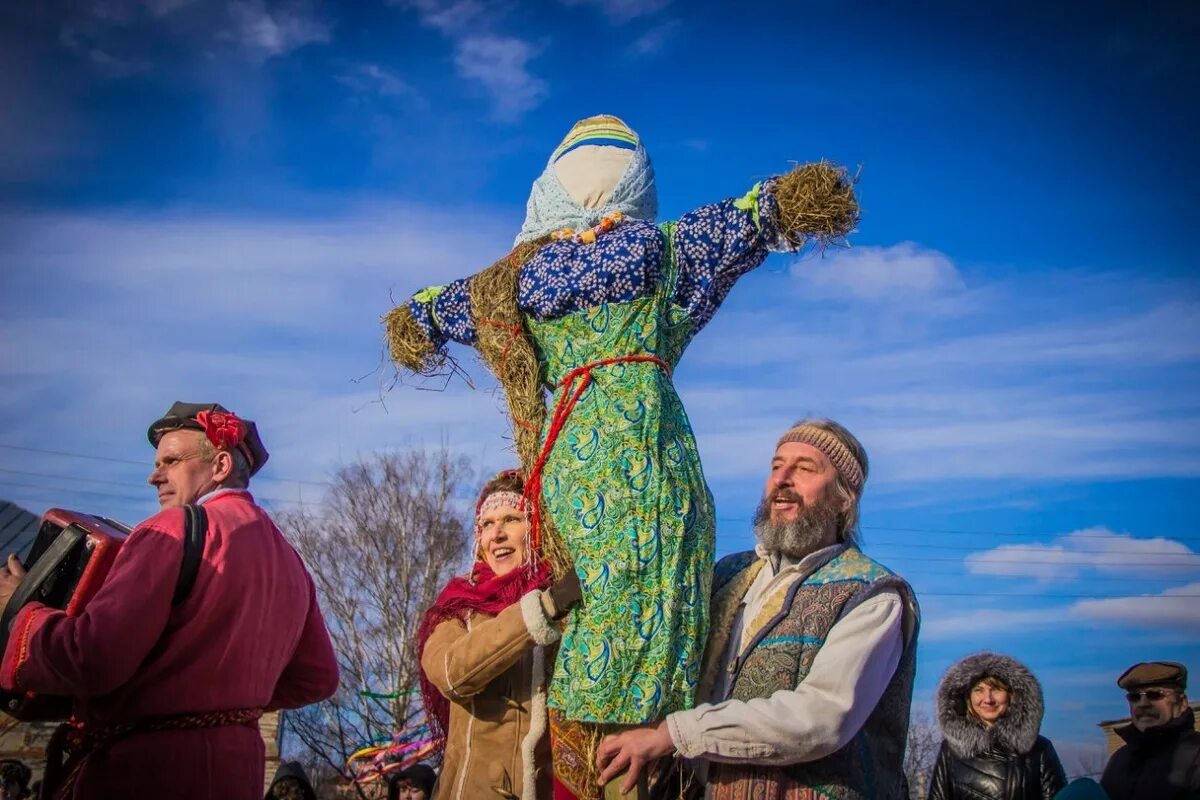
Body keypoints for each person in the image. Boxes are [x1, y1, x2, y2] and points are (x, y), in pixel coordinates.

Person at [387, 115, 858, 798]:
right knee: (619, 605)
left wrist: (417, 319)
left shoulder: (515, 279)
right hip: (637, 457)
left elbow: (439, 309)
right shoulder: (659, 248)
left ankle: (628, 751)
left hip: (587, 458)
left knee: (614, 608)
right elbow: (752, 218)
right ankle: (624, 754)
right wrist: (790, 201)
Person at [0, 402, 339, 800]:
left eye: (171, 461)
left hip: (146, 772)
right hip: (236, 776)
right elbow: (317, 678)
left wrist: (21, 609)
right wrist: (223, 703)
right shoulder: (290, 561)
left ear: (221, 466)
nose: (153, 476)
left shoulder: (170, 529)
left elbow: (93, 657)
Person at [596, 418, 920, 799]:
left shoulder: (872, 594)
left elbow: (820, 718)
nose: (782, 479)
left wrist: (674, 733)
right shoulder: (728, 575)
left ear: (844, 496)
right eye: (776, 466)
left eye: (804, 468)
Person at [418, 470, 582, 800]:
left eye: (511, 519)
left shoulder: (568, 602)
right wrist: (543, 609)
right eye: (487, 524)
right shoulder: (458, 607)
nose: (497, 534)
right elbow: (450, 672)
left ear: (536, 530)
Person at [927, 652, 1067, 800]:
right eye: (978, 690)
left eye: (995, 689)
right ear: (967, 698)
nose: (988, 699)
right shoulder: (950, 750)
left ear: (1012, 695)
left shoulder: (1039, 748)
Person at [1101, 660, 1200, 800]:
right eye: (1135, 697)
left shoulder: (1195, 754)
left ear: (1181, 703)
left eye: (1155, 695)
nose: (1143, 704)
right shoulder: (1119, 760)